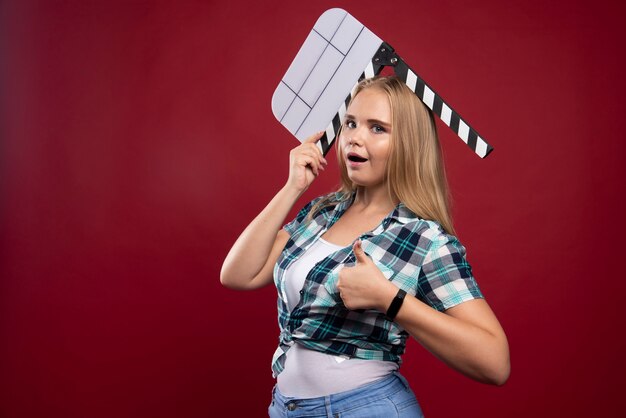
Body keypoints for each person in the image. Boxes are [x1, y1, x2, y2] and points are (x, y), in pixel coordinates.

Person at [220, 76, 510, 417]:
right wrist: (292, 188)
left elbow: (495, 363)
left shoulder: (423, 237)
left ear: (408, 144)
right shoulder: (322, 212)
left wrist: (389, 299)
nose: (355, 137)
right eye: (351, 123)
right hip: (286, 407)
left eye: (377, 128)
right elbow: (238, 274)